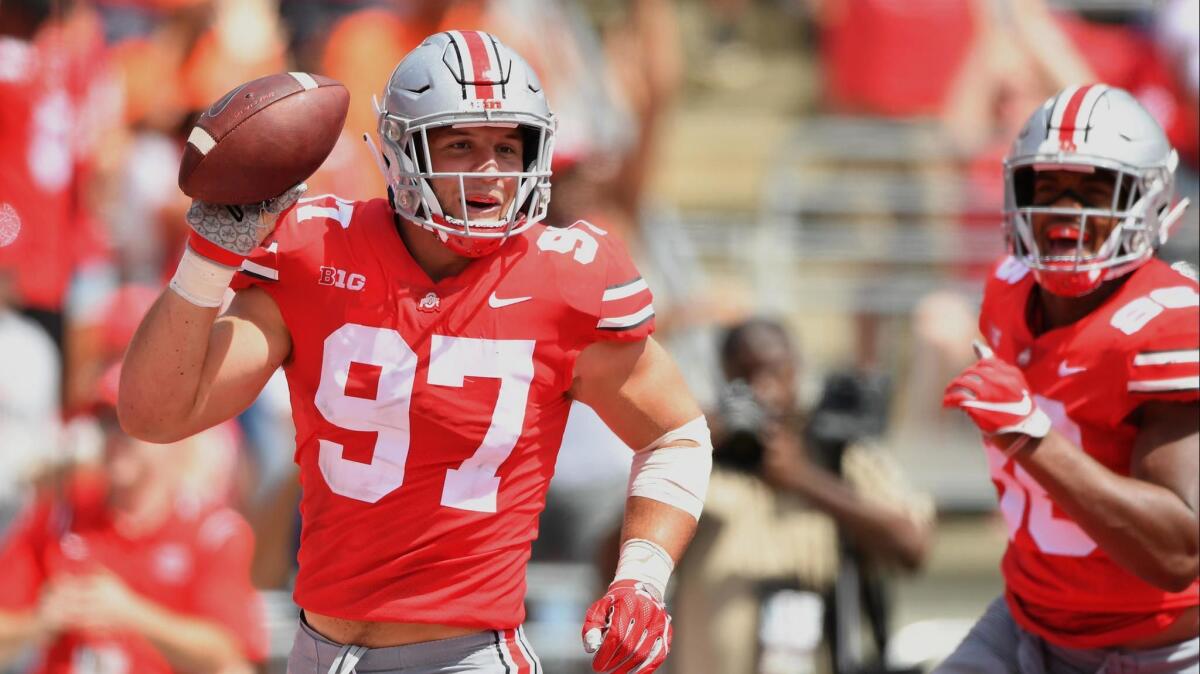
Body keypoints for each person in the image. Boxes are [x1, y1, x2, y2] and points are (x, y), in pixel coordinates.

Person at [118, 31, 712, 674]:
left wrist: (642, 578)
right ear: (403, 148)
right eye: (461, 144)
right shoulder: (317, 250)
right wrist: (208, 259)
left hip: (465, 657)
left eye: (508, 148)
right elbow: (157, 414)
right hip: (318, 650)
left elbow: (676, 432)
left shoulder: (568, 279)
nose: (489, 172)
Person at [939, 84, 1199, 672]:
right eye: (1048, 188)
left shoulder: (1168, 325)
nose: (1066, 212)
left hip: (1157, 653)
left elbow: (1181, 548)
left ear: (1151, 201)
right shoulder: (1007, 287)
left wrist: (1033, 439)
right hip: (1027, 621)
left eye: (1094, 190)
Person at [672, 318, 933, 674]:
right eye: (745, 377)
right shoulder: (697, 459)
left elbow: (911, 547)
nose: (763, 389)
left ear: (797, 369)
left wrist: (803, 480)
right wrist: (691, 447)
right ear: (724, 378)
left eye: (775, 372)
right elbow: (613, 559)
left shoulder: (839, 453)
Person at [0, 364, 265, 674]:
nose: (114, 436)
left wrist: (131, 614)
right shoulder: (60, 514)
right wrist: (37, 623)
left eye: (131, 423)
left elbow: (230, 653)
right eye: (106, 422)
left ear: (174, 433)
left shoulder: (213, 531)